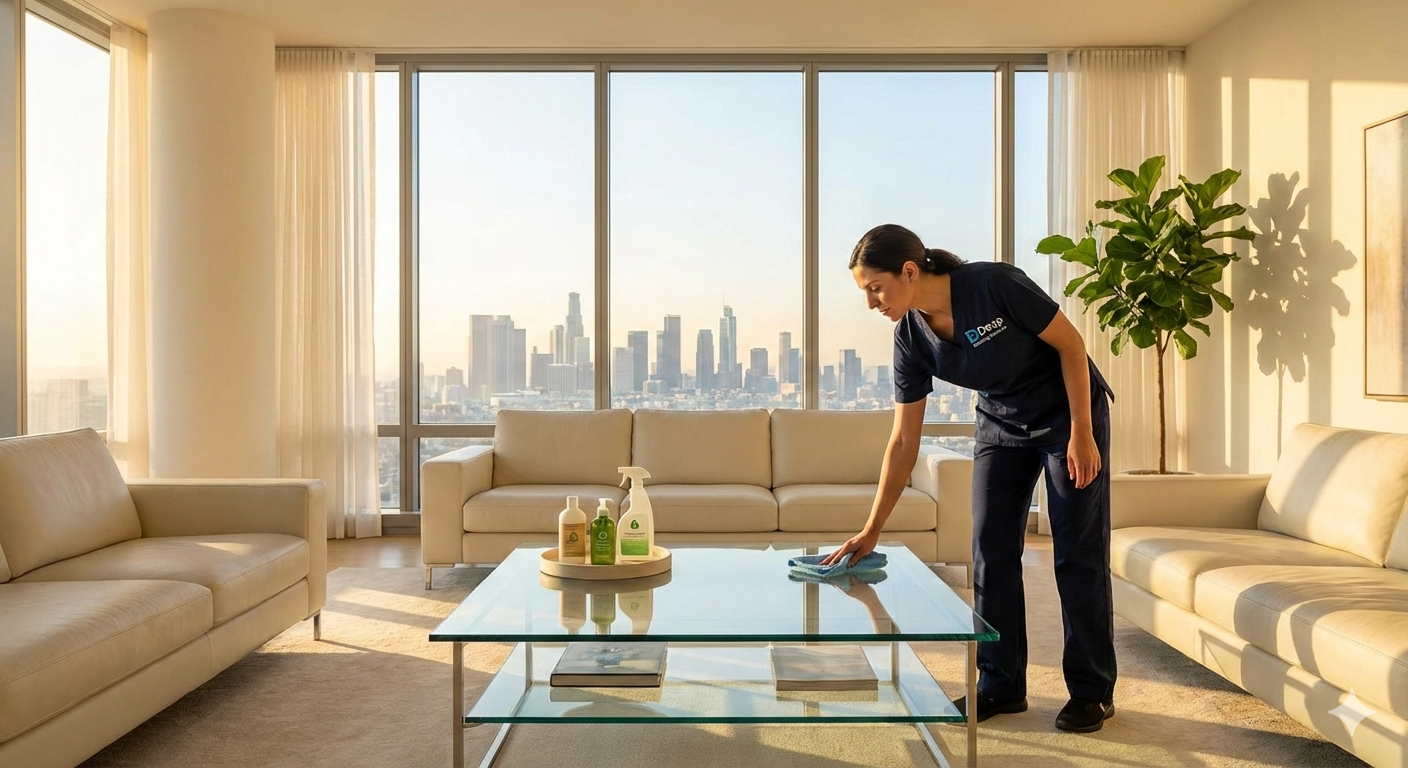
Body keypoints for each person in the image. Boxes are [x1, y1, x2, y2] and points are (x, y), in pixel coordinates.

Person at [821, 223, 1117, 733]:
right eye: (864, 291)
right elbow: (902, 442)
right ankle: (1000, 684)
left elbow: (1071, 346)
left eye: (875, 287)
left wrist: (1083, 434)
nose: (871, 302)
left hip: (1068, 417)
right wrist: (872, 528)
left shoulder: (994, 285)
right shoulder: (911, 338)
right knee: (990, 551)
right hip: (1000, 426)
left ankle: (1093, 692)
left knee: (1076, 552)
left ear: (909, 271)